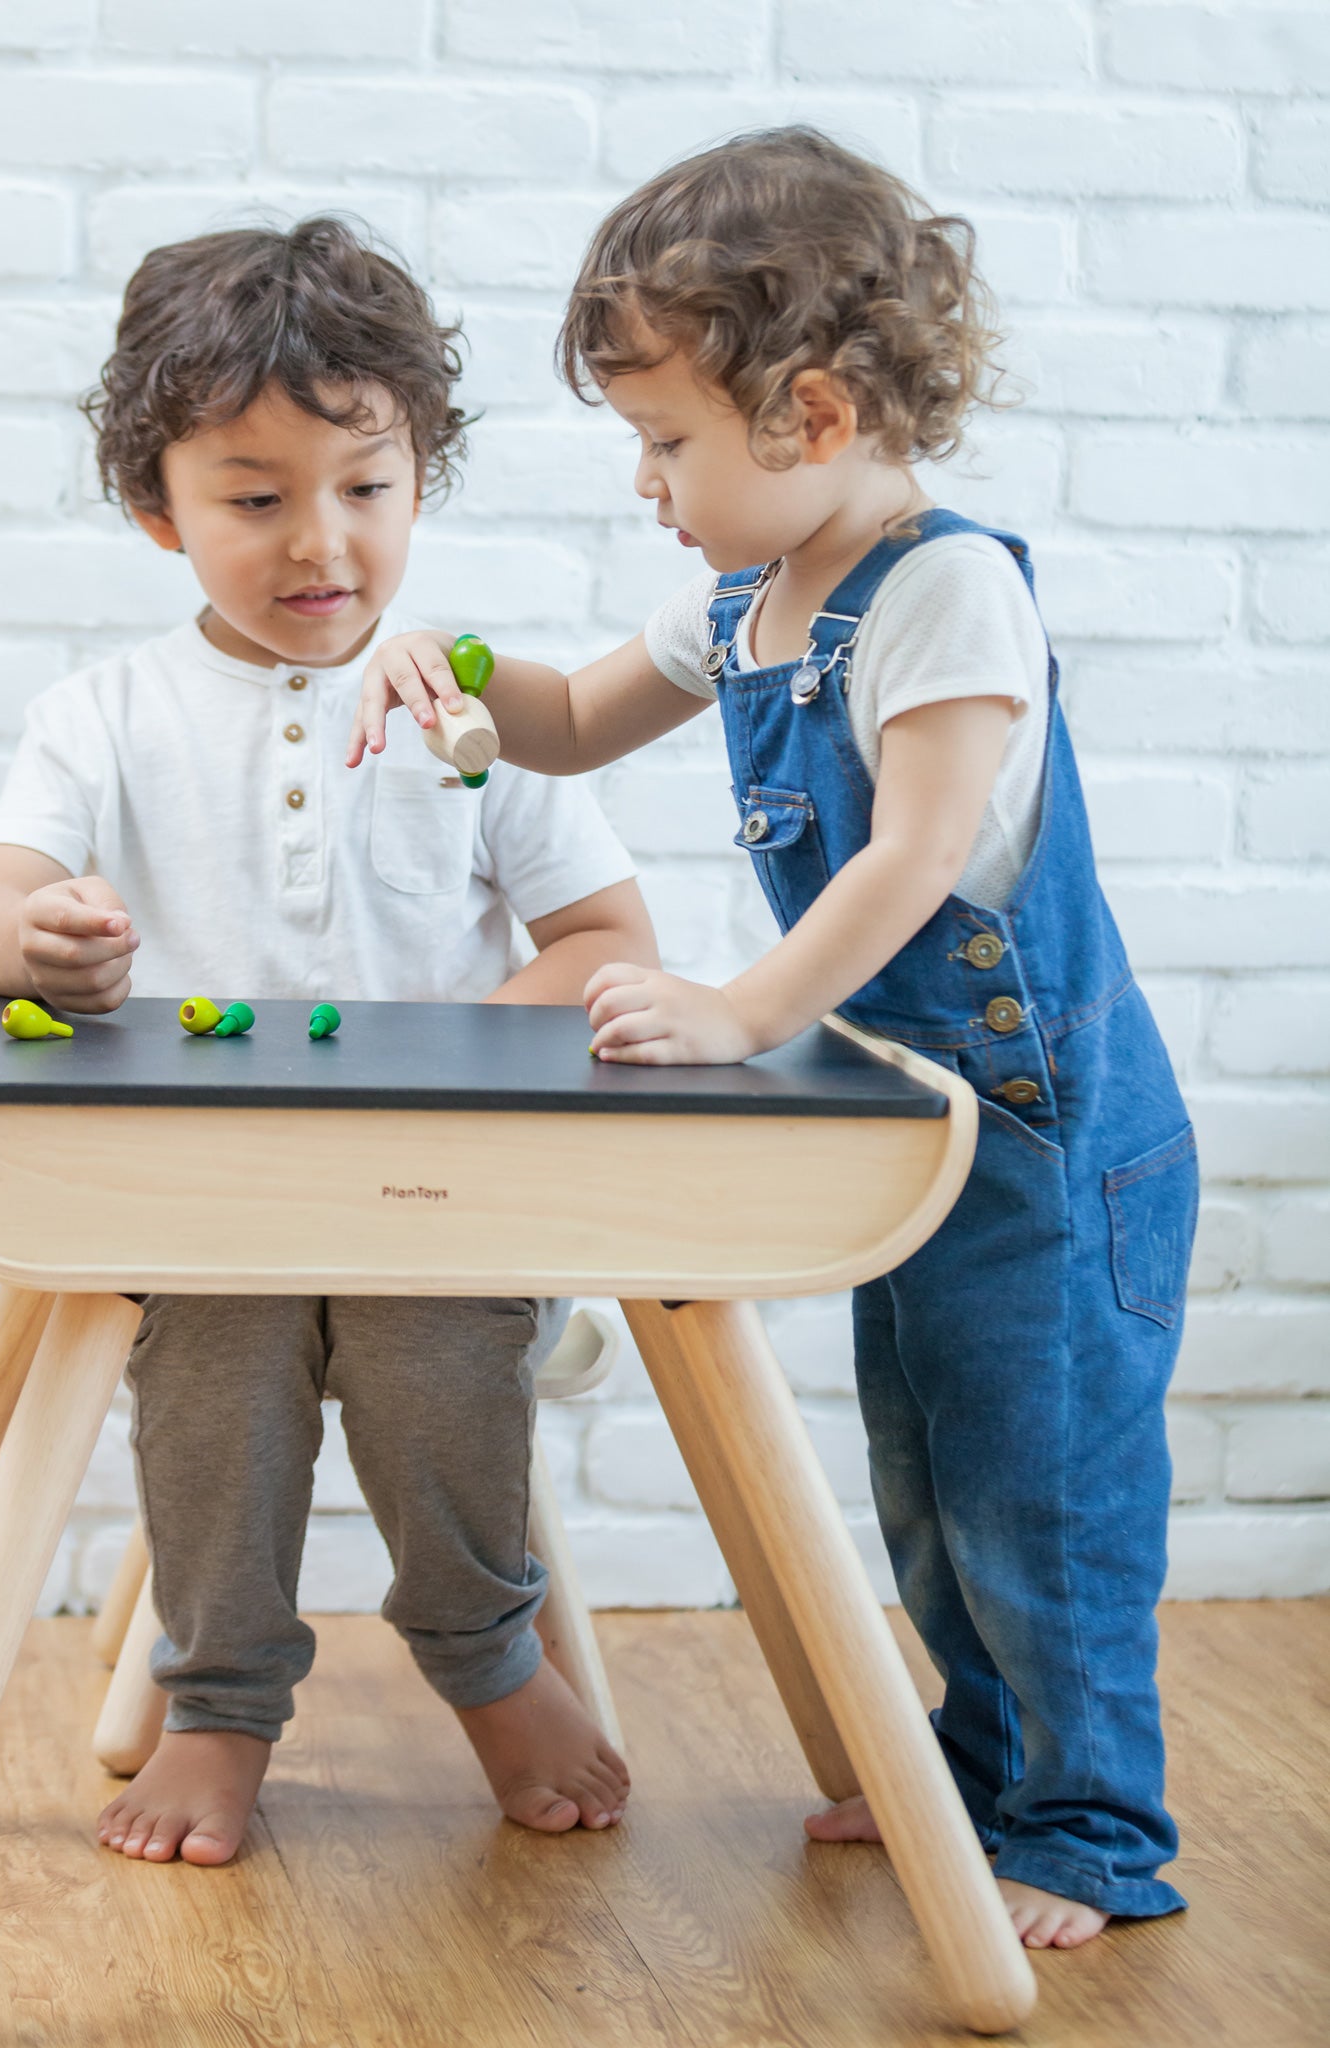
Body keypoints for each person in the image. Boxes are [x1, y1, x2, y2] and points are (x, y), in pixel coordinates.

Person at [350, 129, 1197, 1952]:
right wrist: (448, 658)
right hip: (922, 1131)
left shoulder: (948, 594)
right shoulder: (745, 602)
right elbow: (568, 720)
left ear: (809, 413)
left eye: (664, 442)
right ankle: (971, 1778)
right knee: (927, 1476)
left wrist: (740, 1009)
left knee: (1042, 1494)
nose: (647, 483)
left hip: (1052, 1142)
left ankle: (1093, 1832)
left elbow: (910, 853)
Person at [0, 217, 649, 1866]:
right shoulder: (103, 717)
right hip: (211, 1207)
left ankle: (487, 1657)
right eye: (253, 498)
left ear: (420, 482)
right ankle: (218, 1703)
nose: (317, 539)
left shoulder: (482, 710)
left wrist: (457, 1063)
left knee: (430, 1364)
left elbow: (609, 946)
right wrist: (28, 942)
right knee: (215, 1377)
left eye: (365, 486)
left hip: (439, 1205)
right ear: (156, 509)